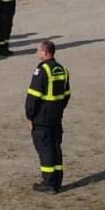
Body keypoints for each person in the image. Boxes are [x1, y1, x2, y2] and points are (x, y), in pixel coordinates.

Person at [26, 40, 71, 194]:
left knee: (45, 149)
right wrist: (59, 109)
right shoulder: (63, 69)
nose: (37, 53)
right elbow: (67, 94)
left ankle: (49, 183)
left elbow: (33, 97)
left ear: (45, 52)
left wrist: (30, 116)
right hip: (56, 116)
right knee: (55, 147)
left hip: (42, 118)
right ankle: (57, 181)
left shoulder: (42, 71)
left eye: (38, 50)